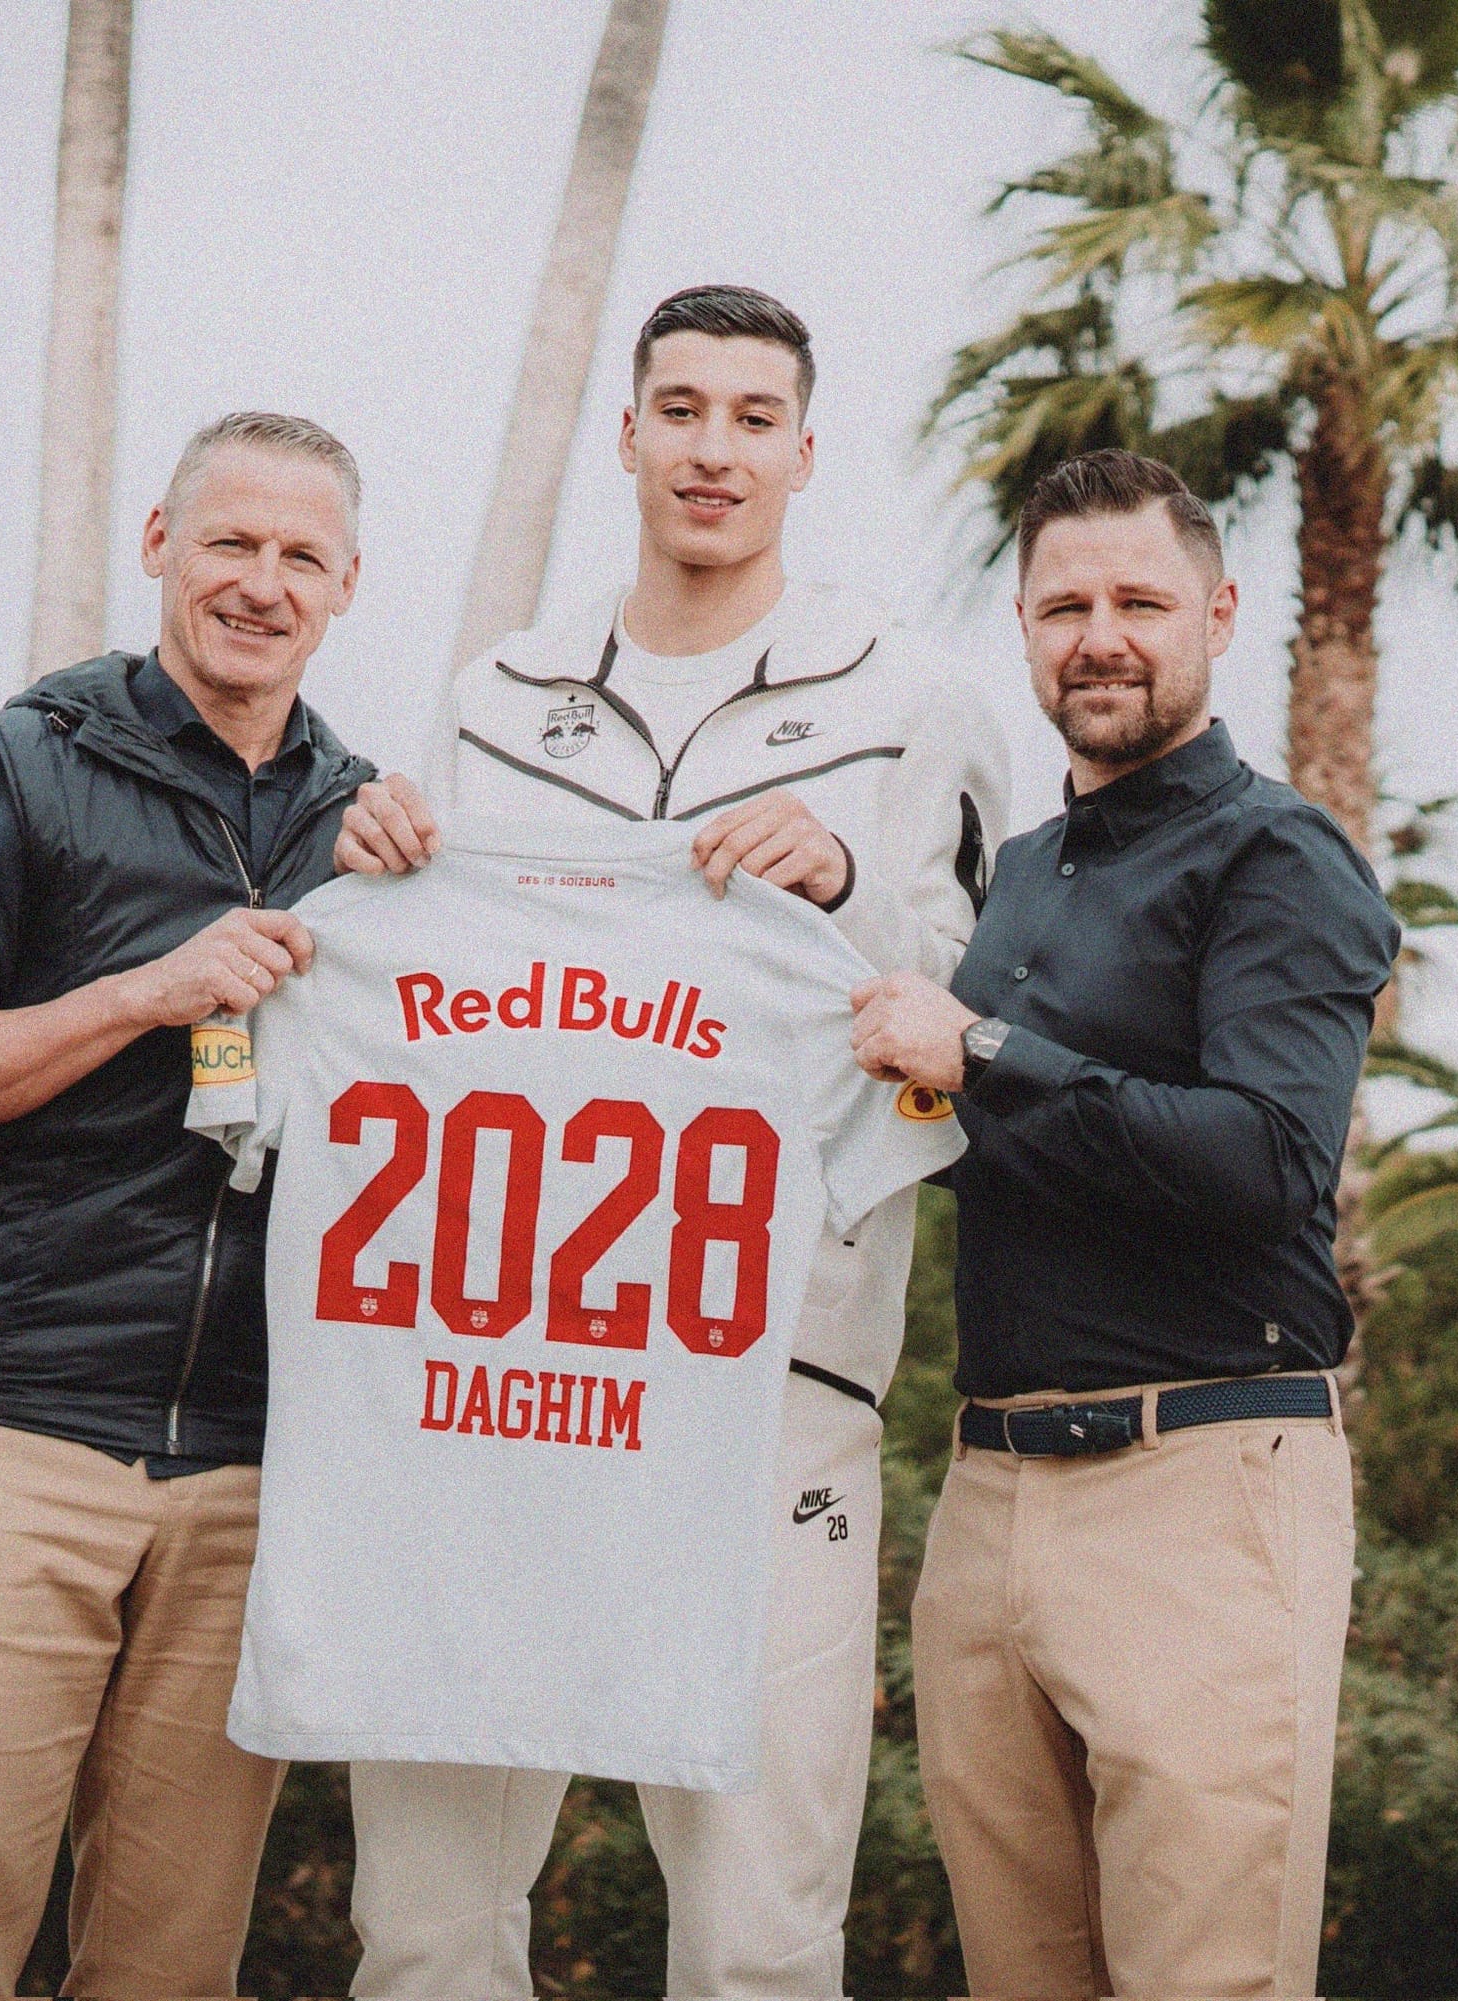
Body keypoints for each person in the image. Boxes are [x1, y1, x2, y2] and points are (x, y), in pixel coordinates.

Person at [333, 285, 1009, 1999]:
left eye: (753, 416)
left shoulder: (915, 697)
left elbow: (978, 1031)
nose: (715, 449)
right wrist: (378, 859)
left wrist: (849, 892)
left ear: (804, 449)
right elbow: (428, 996)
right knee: (421, 1927)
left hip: (769, 1373)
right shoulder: (497, 695)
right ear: (625, 433)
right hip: (495, 1376)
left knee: (758, 1937)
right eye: (683, 410)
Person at [849, 449, 1400, 1998]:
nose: (1101, 634)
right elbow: (988, 1140)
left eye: (1141, 601)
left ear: (1219, 613)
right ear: (1023, 626)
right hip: (989, 1499)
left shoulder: (1277, 856)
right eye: (1065, 603)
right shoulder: (1020, 878)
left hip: (1204, 1489)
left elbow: (1267, 1162)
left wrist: (987, 1053)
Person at [0, 412, 374, 2000]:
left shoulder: (372, 829)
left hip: (247, 1475)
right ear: (160, 543)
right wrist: (147, 991)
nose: (261, 582)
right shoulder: (20, 762)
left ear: (351, 584)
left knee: (168, 1973)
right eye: (232, 541)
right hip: (18, 1439)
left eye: (301, 555)